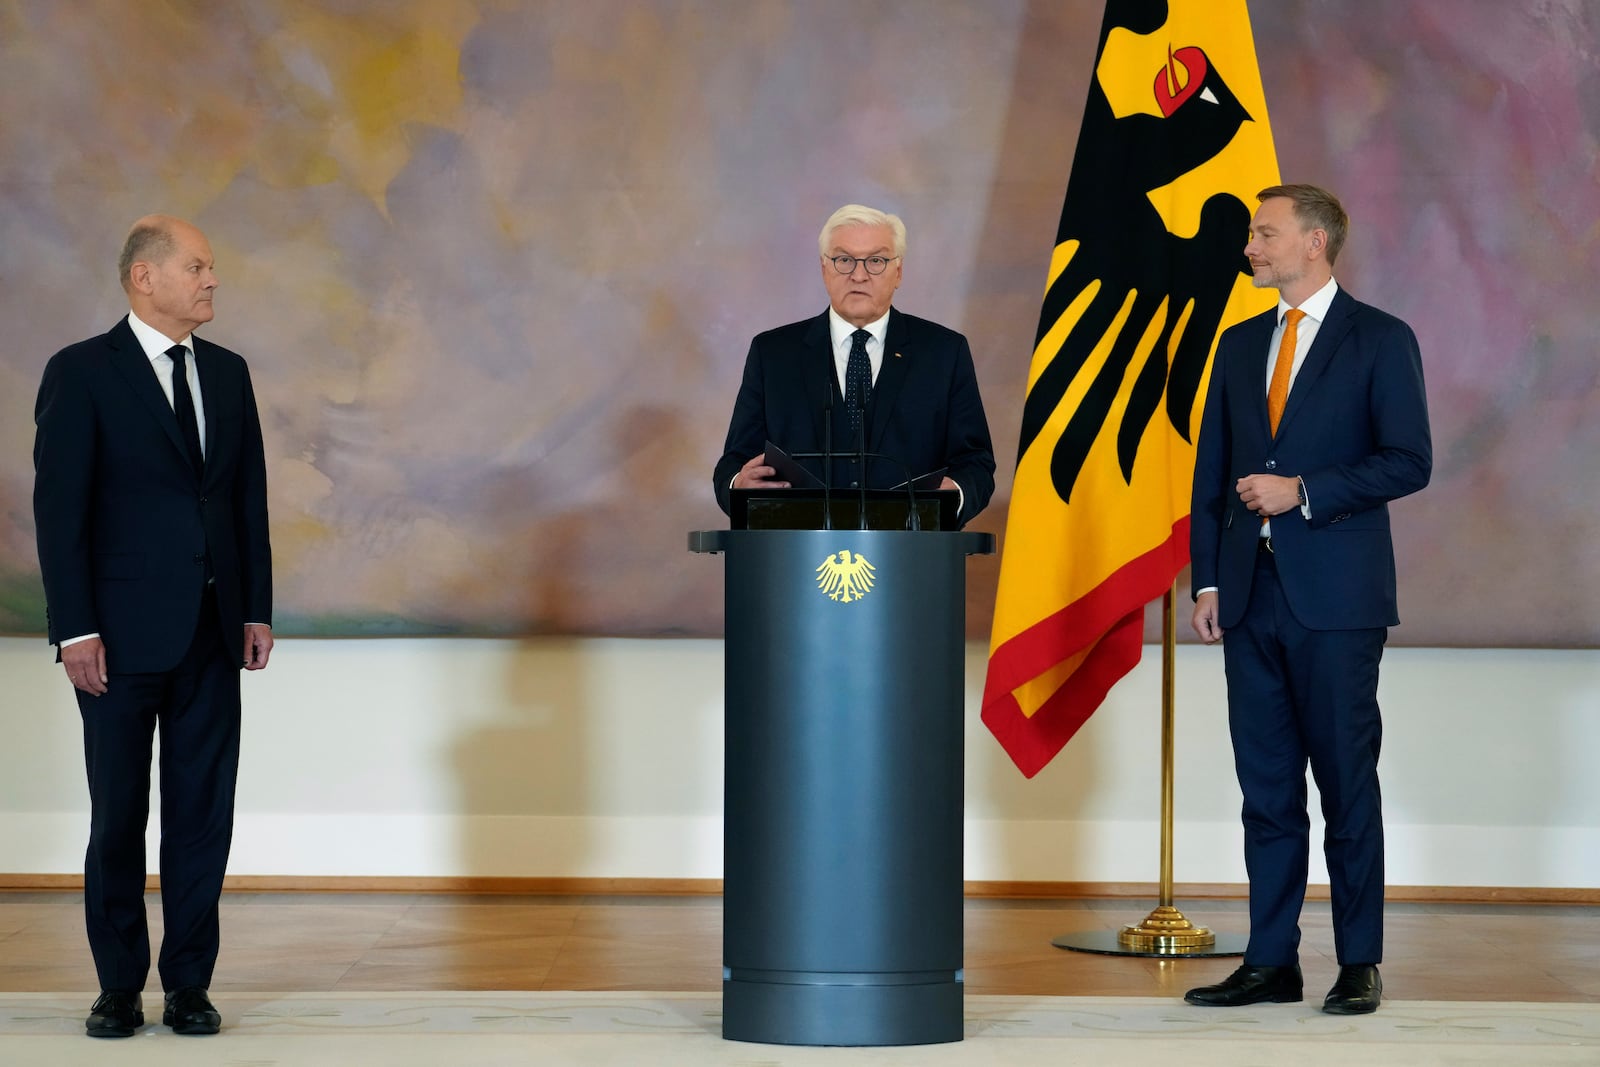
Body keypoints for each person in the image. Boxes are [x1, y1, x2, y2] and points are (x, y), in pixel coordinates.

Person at [1184, 185, 1431, 1015]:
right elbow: (1211, 472)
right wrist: (1209, 579)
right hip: (1248, 599)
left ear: (1315, 243)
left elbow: (1409, 460)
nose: (1249, 245)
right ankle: (1270, 959)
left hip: (1338, 603)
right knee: (1266, 792)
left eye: (1264, 233)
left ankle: (1359, 959)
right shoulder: (1239, 342)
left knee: (1346, 786)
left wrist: (1305, 490)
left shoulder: (1381, 340)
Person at [32, 215, 274, 1038]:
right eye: (197, 267)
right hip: (116, 638)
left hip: (213, 633)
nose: (211, 281)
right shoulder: (82, 372)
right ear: (146, 277)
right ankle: (116, 985)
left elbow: (246, 501)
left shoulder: (231, 374)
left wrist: (254, 608)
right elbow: (59, 511)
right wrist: (74, 630)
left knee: (203, 814)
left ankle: (189, 985)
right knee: (119, 815)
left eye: (210, 268)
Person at [713, 204, 995, 526]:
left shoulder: (944, 352)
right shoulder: (774, 354)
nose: (858, 275)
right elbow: (734, 463)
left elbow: (975, 463)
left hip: (911, 553)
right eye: (844, 260)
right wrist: (739, 484)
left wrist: (950, 496)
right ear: (824, 268)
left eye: (876, 261)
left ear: (898, 272)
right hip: (797, 556)